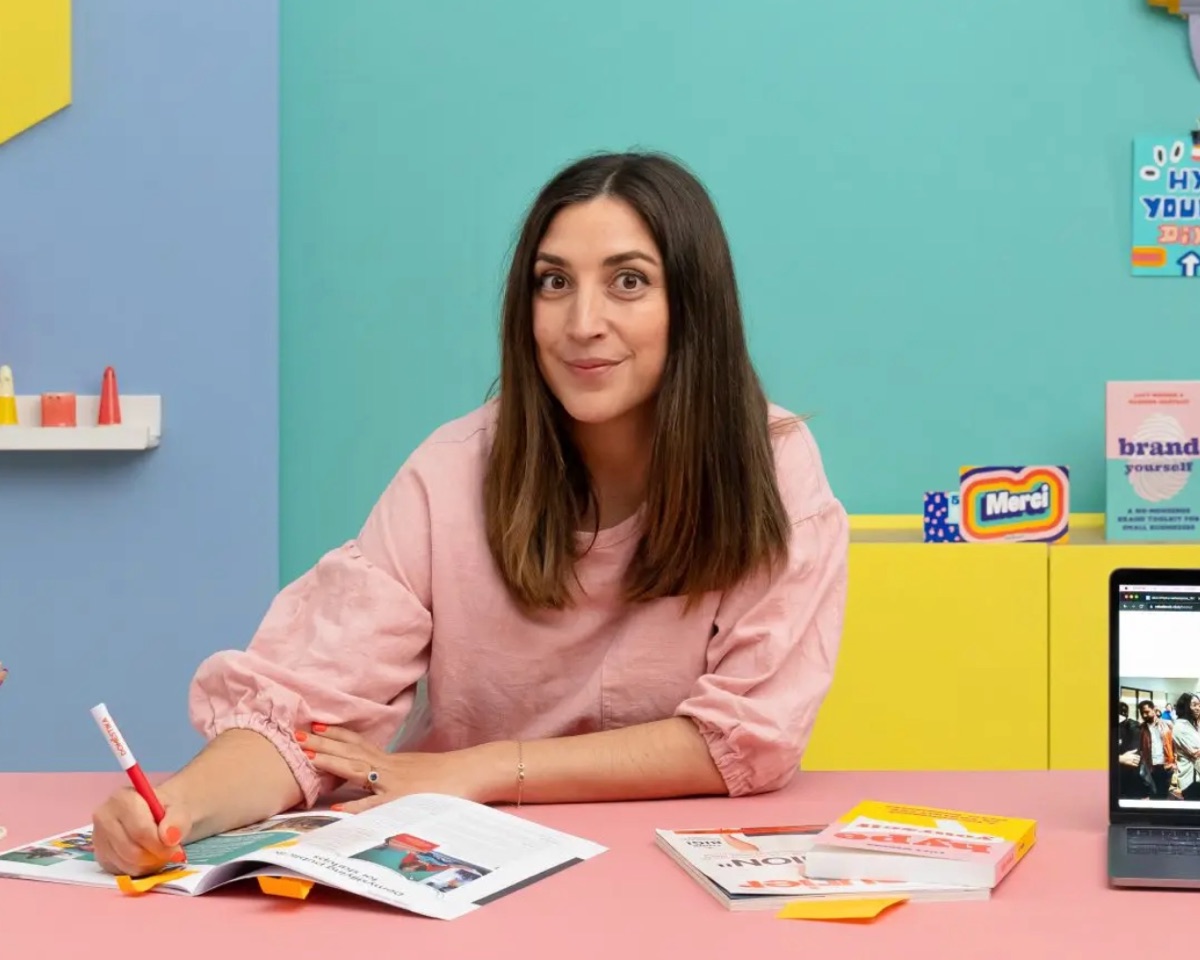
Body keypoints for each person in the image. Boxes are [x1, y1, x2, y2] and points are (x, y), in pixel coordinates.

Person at [90, 151, 850, 877]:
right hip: (461, 866)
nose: (582, 322)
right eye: (553, 283)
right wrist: (176, 810)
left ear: (694, 306)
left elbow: (746, 741)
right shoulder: (451, 471)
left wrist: (478, 768)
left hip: (663, 870)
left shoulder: (774, 466)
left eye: (628, 281)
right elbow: (303, 715)